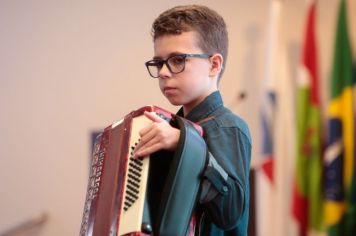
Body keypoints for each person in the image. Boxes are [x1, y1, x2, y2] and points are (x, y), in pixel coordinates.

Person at [133, 5, 252, 235]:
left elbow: (230, 213)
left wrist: (186, 144)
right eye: (159, 63)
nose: (164, 72)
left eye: (177, 60)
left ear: (214, 65)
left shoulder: (228, 126)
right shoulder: (170, 127)